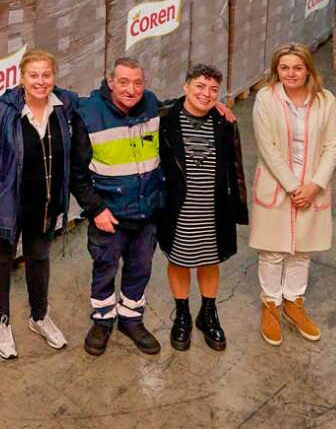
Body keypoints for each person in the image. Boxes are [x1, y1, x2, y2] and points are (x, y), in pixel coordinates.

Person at [71, 57, 235, 357]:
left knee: (140, 268)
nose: (131, 89)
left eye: (137, 82)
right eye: (123, 82)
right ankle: (103, 321)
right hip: (109, 212)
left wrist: (217, 104)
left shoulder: (151, 105)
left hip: (147, 211)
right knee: (105, 268)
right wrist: (95, 210)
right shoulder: (90, 114)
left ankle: (131, 320)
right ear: (110, 82)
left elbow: (182, 104)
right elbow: (77, 173)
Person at [0, 50, 78, 359]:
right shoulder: (0, 113)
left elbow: (103, 101)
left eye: (46, 75)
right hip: (8, 208)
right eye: (34, 75)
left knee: (39, 258)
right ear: (22, 78)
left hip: (45, 205)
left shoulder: (65, 106)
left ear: (54, 77)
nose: (41, 82)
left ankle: (39, 317)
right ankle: (1, 322)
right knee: (1, 261)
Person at [249, 43, 336, 347]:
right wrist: (292, 187)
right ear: (277, 70)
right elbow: (267, 148)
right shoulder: (266, 98)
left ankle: (293, 302)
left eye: (297, 67)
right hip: (278, 186)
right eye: (284, 67)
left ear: (308, 70)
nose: (290, 73)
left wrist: (314, 185)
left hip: (313, 187)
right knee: (272, 251)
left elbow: (332, 146)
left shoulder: (325, 101)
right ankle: (271, 305)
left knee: (303, 250)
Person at [157, 65, 248, 352]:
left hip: (214, 206)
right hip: (178, 207)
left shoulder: (224, 122)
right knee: (179, 259)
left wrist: (238, 208)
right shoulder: (165, 120)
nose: (205, 94)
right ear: (186, 87)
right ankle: (182, 313)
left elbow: (236, 167)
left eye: (212, 90)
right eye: (200, 86)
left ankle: (208, 313)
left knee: (210, 259)